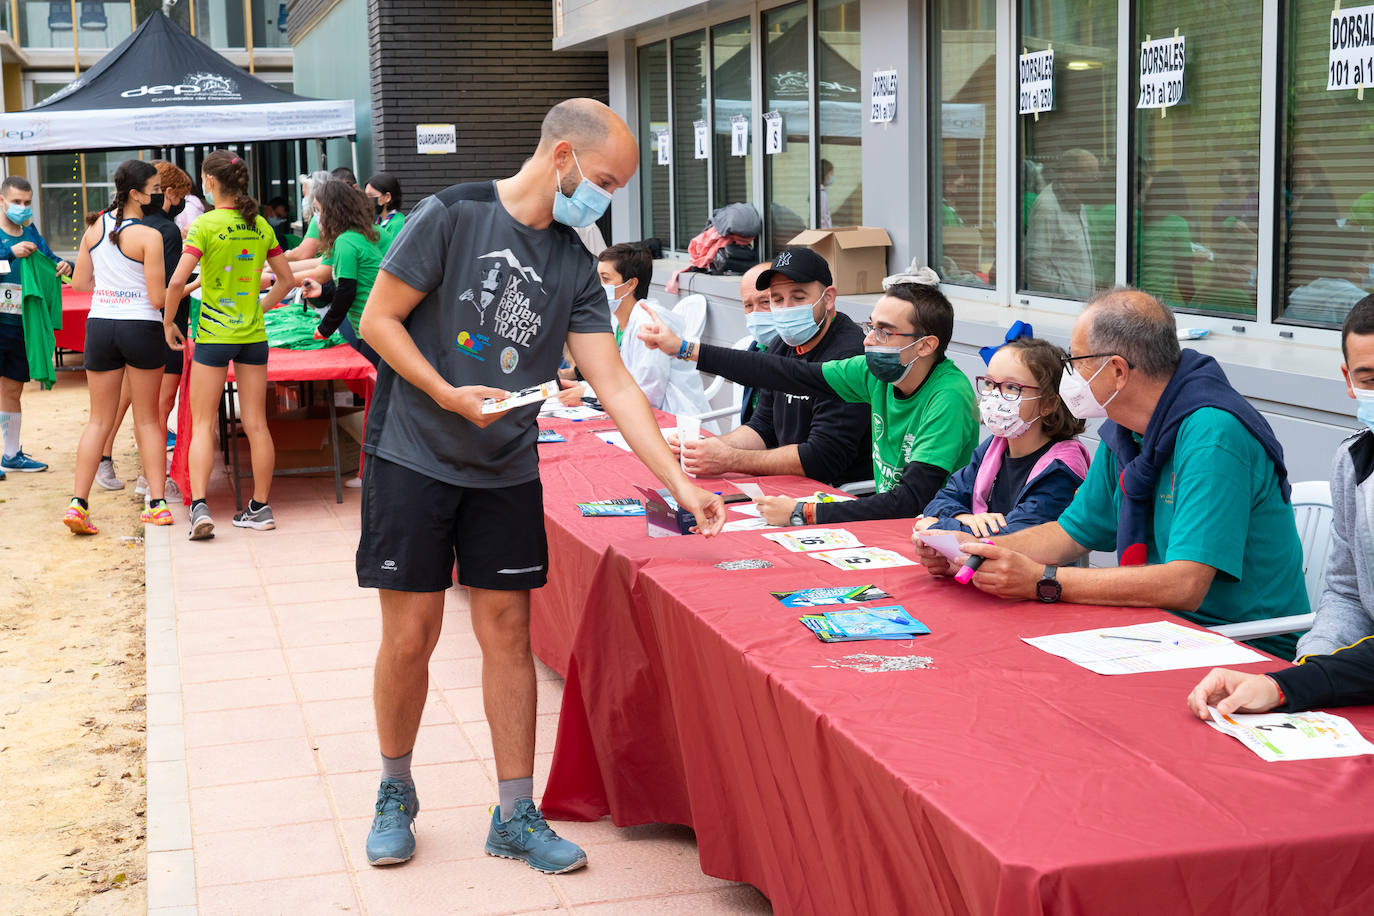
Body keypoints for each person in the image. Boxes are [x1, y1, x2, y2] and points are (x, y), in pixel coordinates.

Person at [354, 98, 724, 872]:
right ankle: (395, 789)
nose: (607, 198)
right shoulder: (452, 213)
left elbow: (615, 382)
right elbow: (379, 322)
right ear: (562, 158)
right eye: (606, 180)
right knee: (411, 635)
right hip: (413, 453)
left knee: (510, 636)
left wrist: (679, 481)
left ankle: (515, 812)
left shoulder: (572, 261)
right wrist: (448, 393)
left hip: (504, 469)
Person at [916, 288, 1310, 658]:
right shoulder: (1126, 429)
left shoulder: (1212, 435)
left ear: (1118, 371)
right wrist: (968, 552)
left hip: (1238, 644)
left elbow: (1185, 584)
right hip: (1154, 629)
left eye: (1075, 361)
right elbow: (1069, 532)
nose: (1068, 374)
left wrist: (1043, 581)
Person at [639, 254, 978, 526]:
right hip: (880, 521)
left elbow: (912, 501)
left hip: (924, 526)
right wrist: (685, 349)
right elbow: (786, 374)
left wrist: (806, 513)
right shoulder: (872, 372)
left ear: (924, 345)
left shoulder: (946, 396)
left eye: (885, 332)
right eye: (870, 326)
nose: (869, 341)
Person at [1188, 301, 1374, 716]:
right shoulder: (1354, 460)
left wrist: (1291, 684)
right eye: (1371, 378)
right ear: (1348, 379)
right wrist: (1309, 662)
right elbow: (1346, 594)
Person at [165, 150, 294, 541]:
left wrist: (169, 321)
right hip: (253, 336)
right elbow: (285, 282)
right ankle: (260, 508)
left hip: (213, 337)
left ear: (208, 182)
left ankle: (200, 508)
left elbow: (175, 283)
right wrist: (258, 307)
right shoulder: (261, 226)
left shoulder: (204, 225)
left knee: (202, 423)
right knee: (256, 423)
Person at [665, 252, 871, 488]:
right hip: (786, 486)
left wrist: (730, 459)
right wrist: (706, 449)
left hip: (837, 495)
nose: (786, 309)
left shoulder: (849, 354)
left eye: (798, 297)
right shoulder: (783, 343)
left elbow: (821, 458)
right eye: (776, 299)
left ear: (829, 298)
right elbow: (762, 427)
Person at [64, 160, 174, 534]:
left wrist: (110, 286)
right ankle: (157, 504)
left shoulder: (94, 226)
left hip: (100, 326)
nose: (159, 193)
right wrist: (188, 286)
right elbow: (158, 298)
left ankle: (78, 503)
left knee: (98, 419)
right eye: (155, 187)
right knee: (147, 419)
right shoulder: (149, 236)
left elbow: (80, 284)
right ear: (135, 193)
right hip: (141, 326)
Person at [914, 333, 1089, 537]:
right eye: (989, 383)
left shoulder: (1060, 469)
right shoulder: (993, 447)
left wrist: (936, 526)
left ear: (1048, 404)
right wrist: (964, 517)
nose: (995, 395)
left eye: (1012, 387)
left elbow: (1015, 536)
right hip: (980, 560)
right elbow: (943, 499)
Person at [96, 160, 201, 495]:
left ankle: (103, 464)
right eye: (178, 195)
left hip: (113, 322)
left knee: (121, 407)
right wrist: (198, 282)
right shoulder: (163, 231)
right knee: (157, 410)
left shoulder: (117, 225)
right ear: (164, 192)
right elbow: (167, 290)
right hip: (158, 327)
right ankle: (151, 481)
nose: (182, 202)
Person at [0, 175, 73, 479]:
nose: (23, 207)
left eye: (27, 202)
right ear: (1, 201)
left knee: (13, 388)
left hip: (21, 323)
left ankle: (11, 454)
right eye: (16, 202)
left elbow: (48, 258)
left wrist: (63, 265)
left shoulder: (29, 231)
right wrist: (8, 254)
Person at [301, 179, 382, 366]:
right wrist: (324, 291)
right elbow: (353, 283)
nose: (317, 217)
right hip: (371, 325)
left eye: (318, 210)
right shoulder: (358, 235)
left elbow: (347, 290)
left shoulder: (345, 241)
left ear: (332, 212)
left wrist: (324, 328)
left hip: (372, 327)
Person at [1024, 148, 1099, 298]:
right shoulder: (1047, 206)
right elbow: (1035, 267)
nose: (1096, 177)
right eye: (1090, 171)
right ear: (1068, 174)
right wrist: (1065, 291)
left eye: (1097, 171)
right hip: (1064, 305)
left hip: (1082, 303)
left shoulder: (1078, 200)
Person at [1136, 169, 1196, 308]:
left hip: (1133, 302)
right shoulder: (1176, 223)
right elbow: (1185, 278)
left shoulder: (1137, 219)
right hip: (1156, 305)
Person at [735, 261, 778, 426]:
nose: (756, 313)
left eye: (765, 302)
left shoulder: (805, 355)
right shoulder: (755, 348)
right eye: (748, 305)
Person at [364, 173, 405, 254]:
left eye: (371, 196)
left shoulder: (398, 224)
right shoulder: (379, 222)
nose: (366, 200)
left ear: (387, 197)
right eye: (365, 196)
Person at [819, 159, 834, 229]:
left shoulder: (821, 192)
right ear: (825, 174)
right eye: (831, 174)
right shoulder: (821, 194)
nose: (832, 176)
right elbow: (822, 218)